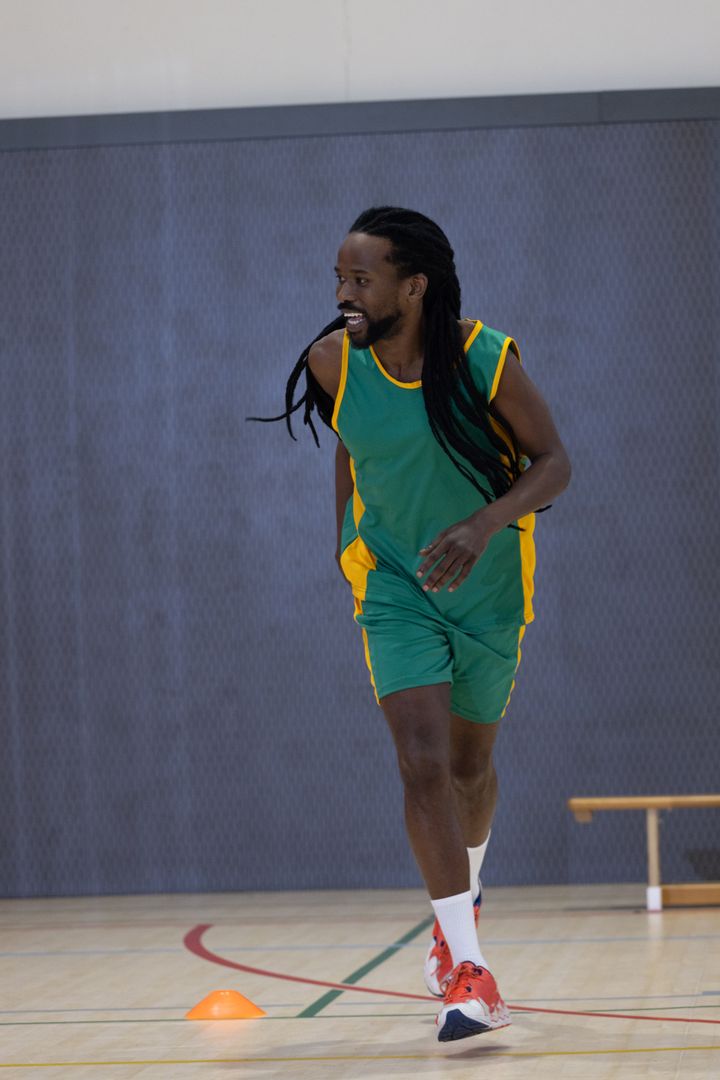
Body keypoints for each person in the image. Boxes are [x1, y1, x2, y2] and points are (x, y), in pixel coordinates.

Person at [251, 206, 571, 1042]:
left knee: (471, 767)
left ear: (414, 285)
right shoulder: (332, 363)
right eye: (338, 279)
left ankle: (455, 913)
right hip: (394, 583)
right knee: (421, 761)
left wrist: (481, 524)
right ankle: (468, 970)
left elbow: (555, 462)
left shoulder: (482, 359)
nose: (343, 295)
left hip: (490, 586)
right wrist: (343, 539)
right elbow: (353, 442)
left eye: (361, 280)